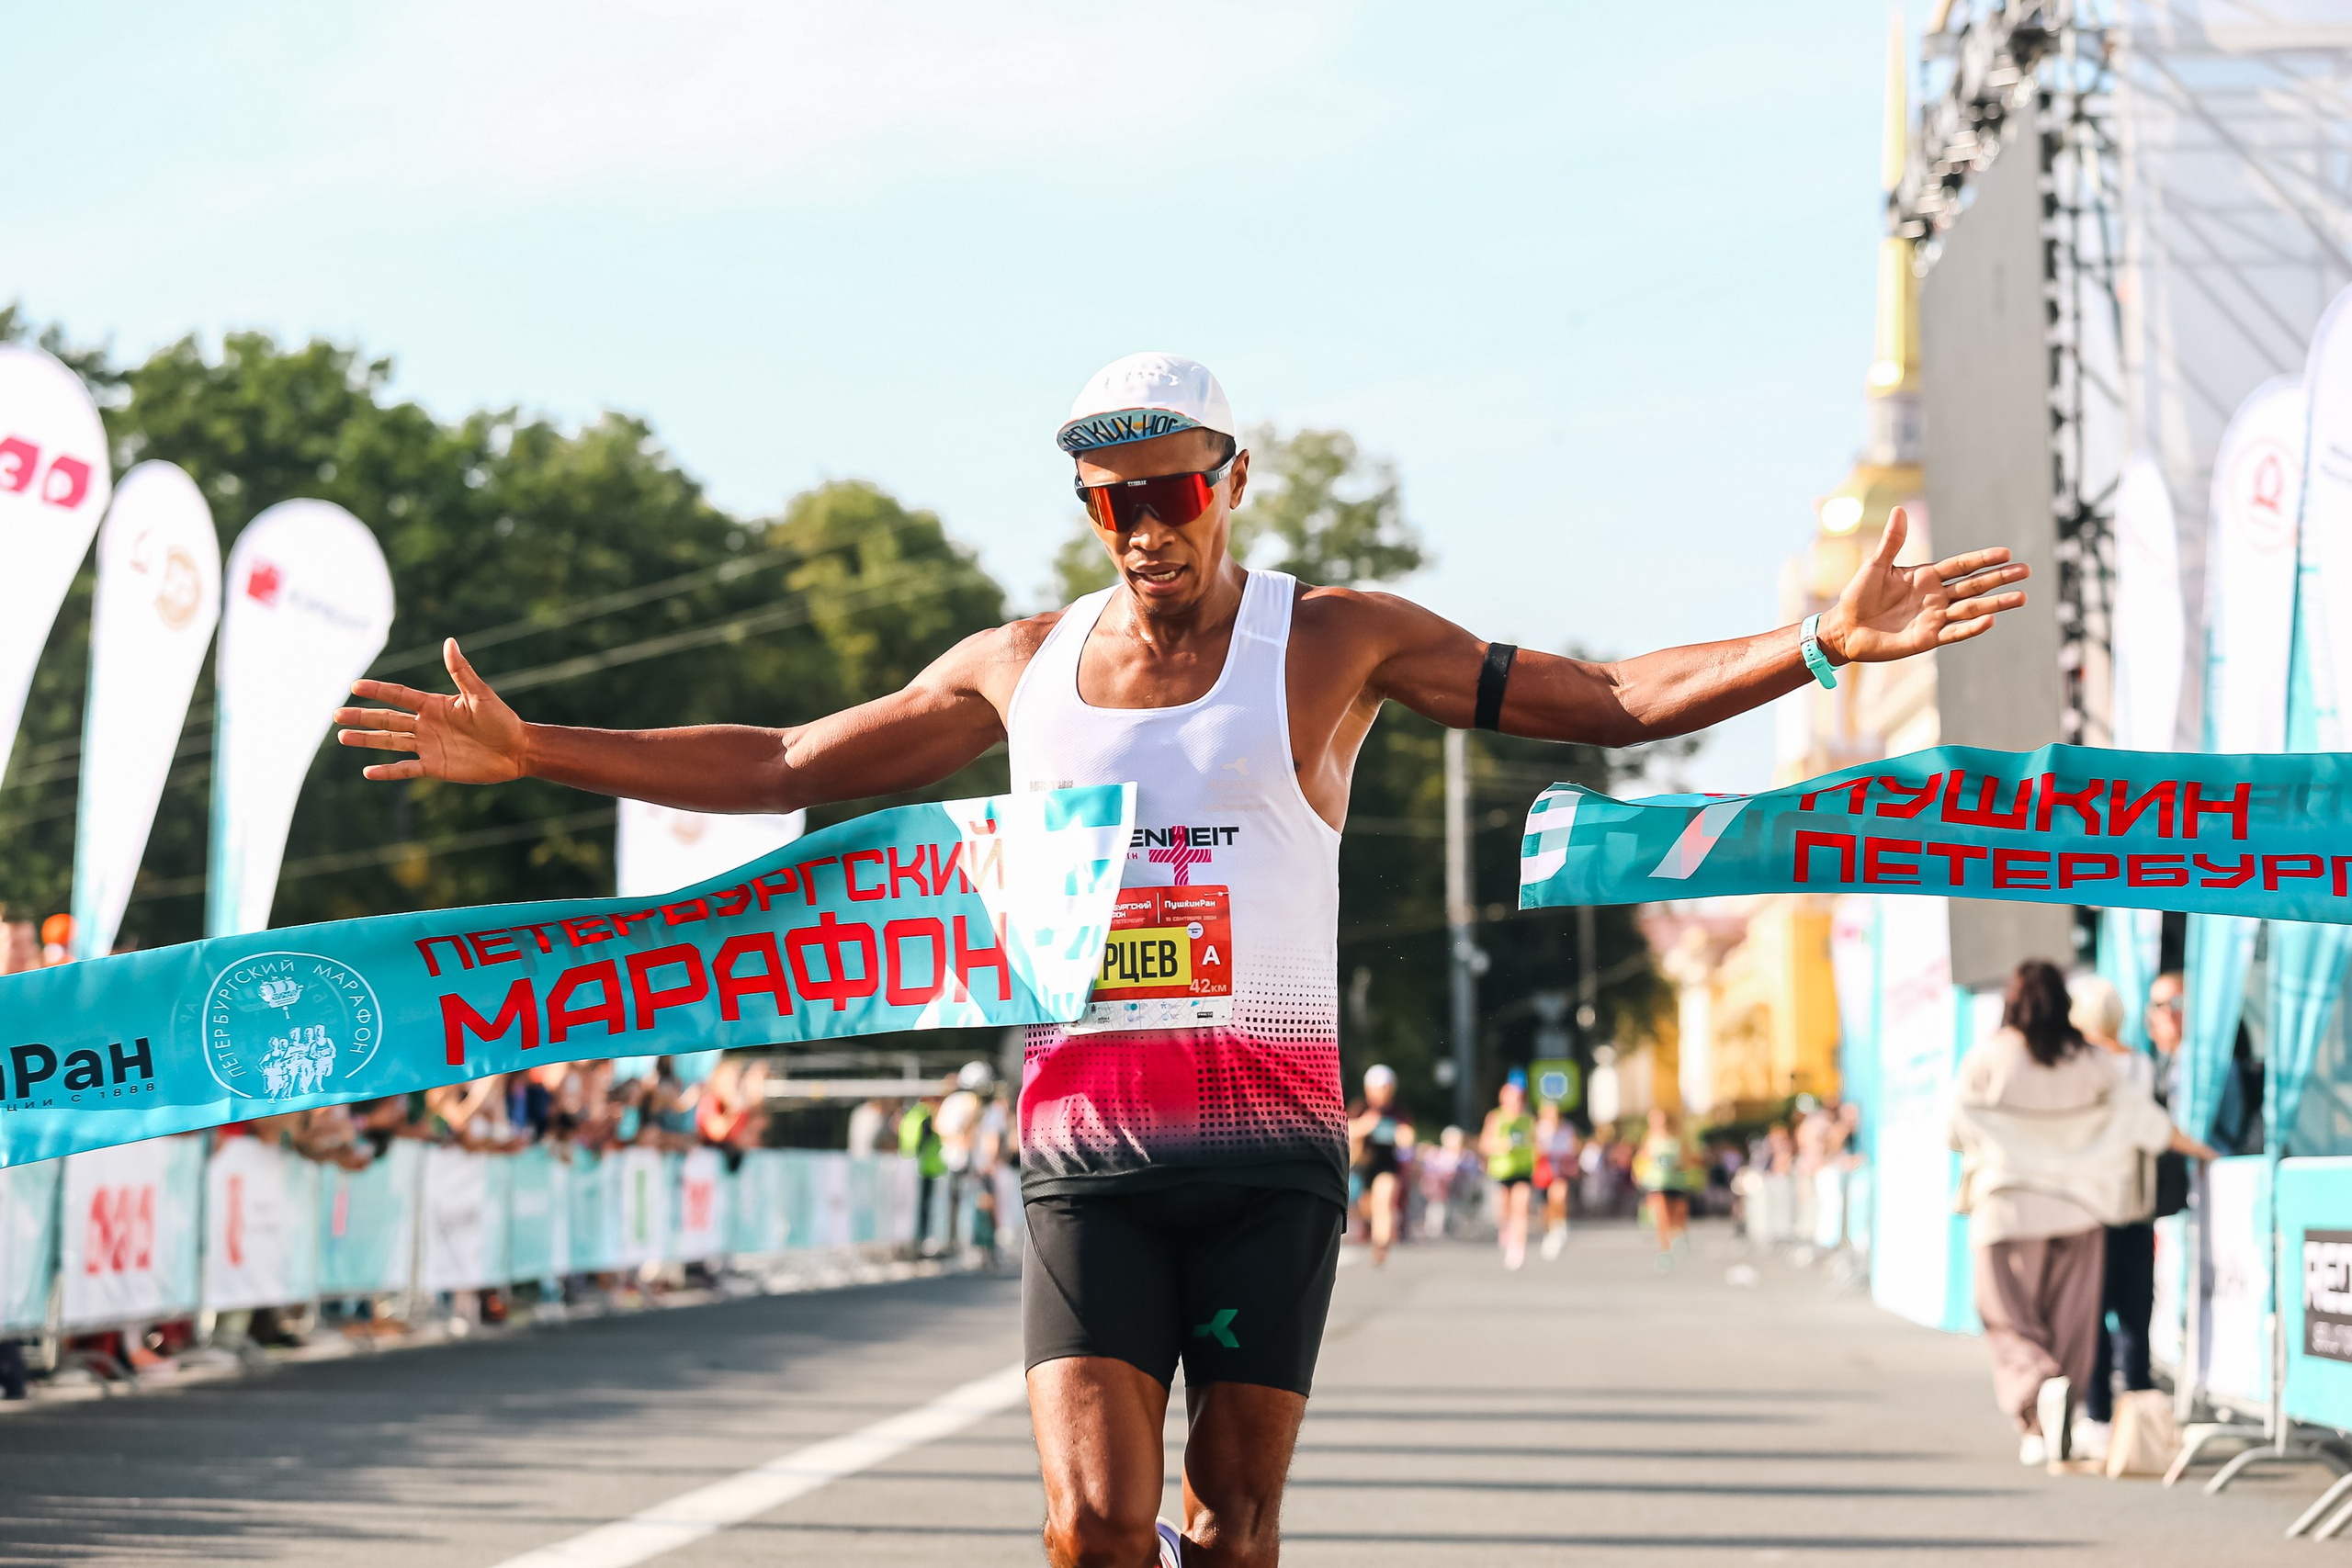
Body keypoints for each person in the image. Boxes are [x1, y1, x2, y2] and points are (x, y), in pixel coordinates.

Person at [334, 349, 2026, 1567]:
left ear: (1228, 487)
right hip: (1085, 1154)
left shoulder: (1334, 639)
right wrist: (539, 747)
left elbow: (1588, 700)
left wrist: (1813, 645)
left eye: (1171, 489)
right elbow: (783, 759)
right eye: (1111, 498)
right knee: (1089, 1522)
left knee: (1230, 1516)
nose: (1144, 523)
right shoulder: (1020, 663)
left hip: (1271, 1156)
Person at [1949, 961, 2216, 1468]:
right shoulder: (2089, 1060)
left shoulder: (1989, 1056)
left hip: (2007, 1207)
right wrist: (2205, 1153)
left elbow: (1953, 1127)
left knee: (2009, 1318)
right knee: (2074, 1321)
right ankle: (2055, 1407)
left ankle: (2035, 1400)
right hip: (2080, 1211)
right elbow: (2145, 1120)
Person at [1347, 1065, 1406, 1265]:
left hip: (1387, 1165)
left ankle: (1381, 1244)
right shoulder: (1360, 1107)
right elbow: (1346, 1129)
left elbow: (1407, 1134)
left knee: (1384, 1199)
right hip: (1363, 1166)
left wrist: (1402, 1136)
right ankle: (1369, 1228)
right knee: (1368, 1208)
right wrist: (1365, 1125)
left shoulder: (1397, 1112)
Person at [1481, 1074, 1538, 1270]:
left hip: (1523, 1170)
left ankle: (1517, 1246)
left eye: (1518, 1099)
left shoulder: (1528, 1120)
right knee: (1503, 1210)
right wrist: (1501, 1145)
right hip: (1502, 1170)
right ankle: (1505, 1229)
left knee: (1520, 1208)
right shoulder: (1495, 1118)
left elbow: (1537, 1144)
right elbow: (1484, 1144)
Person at [1634, 1106, 1693, 1266]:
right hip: (1656, 1182)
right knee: (1663, 1216)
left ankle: (1677, 1238)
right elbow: (1641, 1158)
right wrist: (1639, 1174)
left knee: (1676, 1217)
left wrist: (1676, 1165)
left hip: (1675, 1181)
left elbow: (1686, 1161)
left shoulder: (1678, 1138)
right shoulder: (1649, 1138)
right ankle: (1665, 1250)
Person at [1533, 1101, 1577, 1261]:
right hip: (1544, 1173)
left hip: (1560, 1172)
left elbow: (1572, 1149)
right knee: (1545, 1208)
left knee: (1558, 1196)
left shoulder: (1566, 1129)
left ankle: (1560, 1226)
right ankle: (1550, 1232)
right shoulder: (1538, 1129)